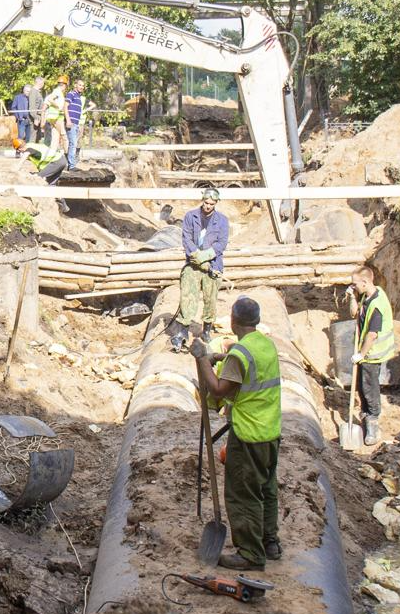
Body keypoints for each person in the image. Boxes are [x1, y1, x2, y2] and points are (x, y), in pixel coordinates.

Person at [190, 296, 282, 572]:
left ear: (232, 321)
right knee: (266, 489)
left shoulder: (240, 355)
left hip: (248, 435)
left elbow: (219, 389)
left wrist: (203, 360)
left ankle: (251, 555)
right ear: (256, 320)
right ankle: (270, 542)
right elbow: (243, 365)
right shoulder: (264, 345)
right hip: (270, 431)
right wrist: (220, 357)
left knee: (243, 495)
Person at [172, 188, 229, 348]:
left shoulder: (222, 221)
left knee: (210, 299)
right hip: (193, 263)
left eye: (211, 204)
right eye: (206, 202)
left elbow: (221, 243)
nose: (208, 206)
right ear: (202, 200)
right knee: (188, 295)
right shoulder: (191, 216)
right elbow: (187, 238)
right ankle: (183, 330)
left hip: (214, 264)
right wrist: (197, 256)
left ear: (216, 203)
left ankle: (207, 330)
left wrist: (207, 256)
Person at [348, 266, 395, 445]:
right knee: (362, 387)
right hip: (365, 351)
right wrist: (352, 296)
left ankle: (373, 423)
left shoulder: (377, 305)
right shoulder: (366, 297)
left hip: (372, 353)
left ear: (365, 282)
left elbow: (372, 334)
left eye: (355, 285)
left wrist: (361, 354)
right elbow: (354, 314)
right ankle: (365, 414)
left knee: (369, 388)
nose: (354, 287)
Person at [13, 137, 69, 213]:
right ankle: (64, 207)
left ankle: (38, 206)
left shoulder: (28, 150)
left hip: (56, 162)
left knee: (38, 178)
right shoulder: (32, 146)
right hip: (60, 160)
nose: (20, 152)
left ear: (19, 148)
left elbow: (21, 161)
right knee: (51, 185)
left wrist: (14, 171)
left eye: (18, 150)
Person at [64, 79, 96, 170]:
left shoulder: (79, 97)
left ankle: (72, 164)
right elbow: (65, 106)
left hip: (76, 124)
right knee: (73, 144)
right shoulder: (71, 94)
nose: (82, 87)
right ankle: (71, 166)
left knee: (74, 143)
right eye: (80, 85)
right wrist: (68, 120)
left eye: (83, 86)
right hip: (71, 123)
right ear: (75, 85)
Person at [41, 75, 69, 150]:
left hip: (53, 117)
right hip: (57, 117)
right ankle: (67, 153)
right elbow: (50, 99)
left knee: (55, 136)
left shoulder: (57, 91)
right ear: (64, 85)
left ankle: (53, 153)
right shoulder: (57, 91)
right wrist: (58, 107)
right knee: (64, 136)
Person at [28, 77, 45, 142]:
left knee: (38, 138)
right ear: (39, 83)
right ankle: (29, 151)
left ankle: (34, 152)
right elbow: (32, 107)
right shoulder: (33, 92)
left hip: (38, 117)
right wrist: (36, 118)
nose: (43, 84)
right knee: (33, 138)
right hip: (34, 118)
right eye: (43, 83)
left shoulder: (37, 92)